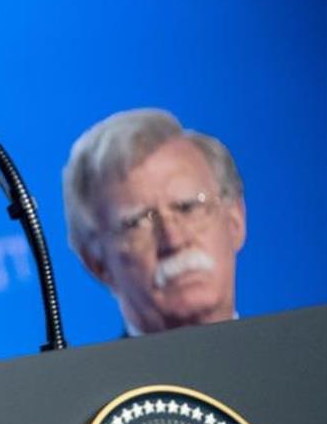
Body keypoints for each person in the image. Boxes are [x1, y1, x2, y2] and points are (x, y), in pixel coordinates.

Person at [61, 108, 247, 336]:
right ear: (97, 264)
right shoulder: (98, 374)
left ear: (235, 220)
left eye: (187, 207)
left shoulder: (299, 359)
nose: (174, 240)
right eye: (137, 222)